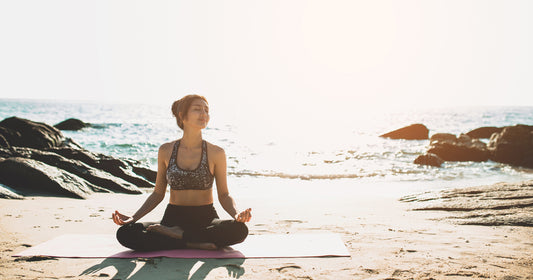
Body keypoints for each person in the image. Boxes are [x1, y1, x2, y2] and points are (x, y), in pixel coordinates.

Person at [112, 95, 251, 251]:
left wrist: (237, 214)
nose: (203, 114)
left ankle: (178, 237)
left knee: (239, 230)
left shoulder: (216, 152)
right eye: (197, 109)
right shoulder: (166, 150)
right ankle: (189, 241)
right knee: (126, 233)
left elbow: (224, 195)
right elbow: (158, 193)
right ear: (182, 115)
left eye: (206, 110)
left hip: (206, 218)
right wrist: (133, 218)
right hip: (172, 218)